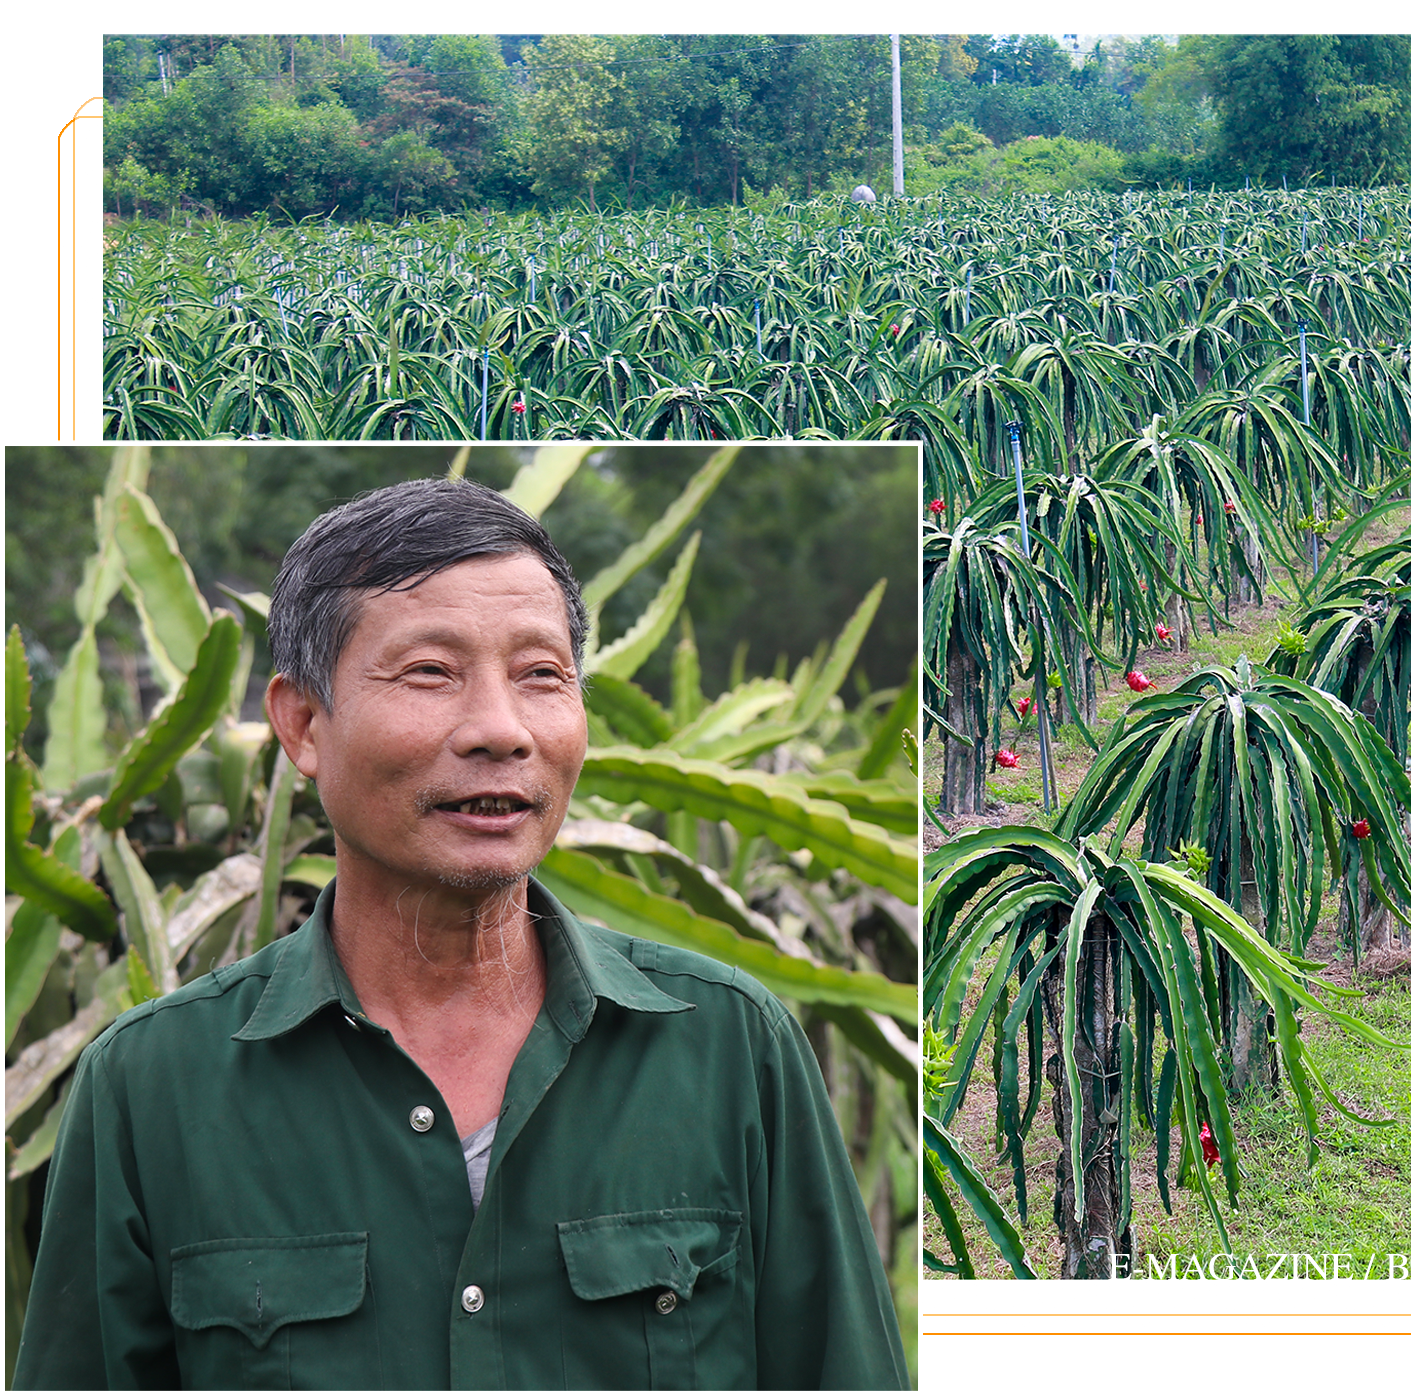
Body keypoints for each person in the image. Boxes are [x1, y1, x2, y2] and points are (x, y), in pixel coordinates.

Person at [13, 477, 909, 1390]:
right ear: (303, 723)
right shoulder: (149, 1088)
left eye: (542, 676)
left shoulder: (730, 1050)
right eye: (430, 673)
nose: (501, 730)